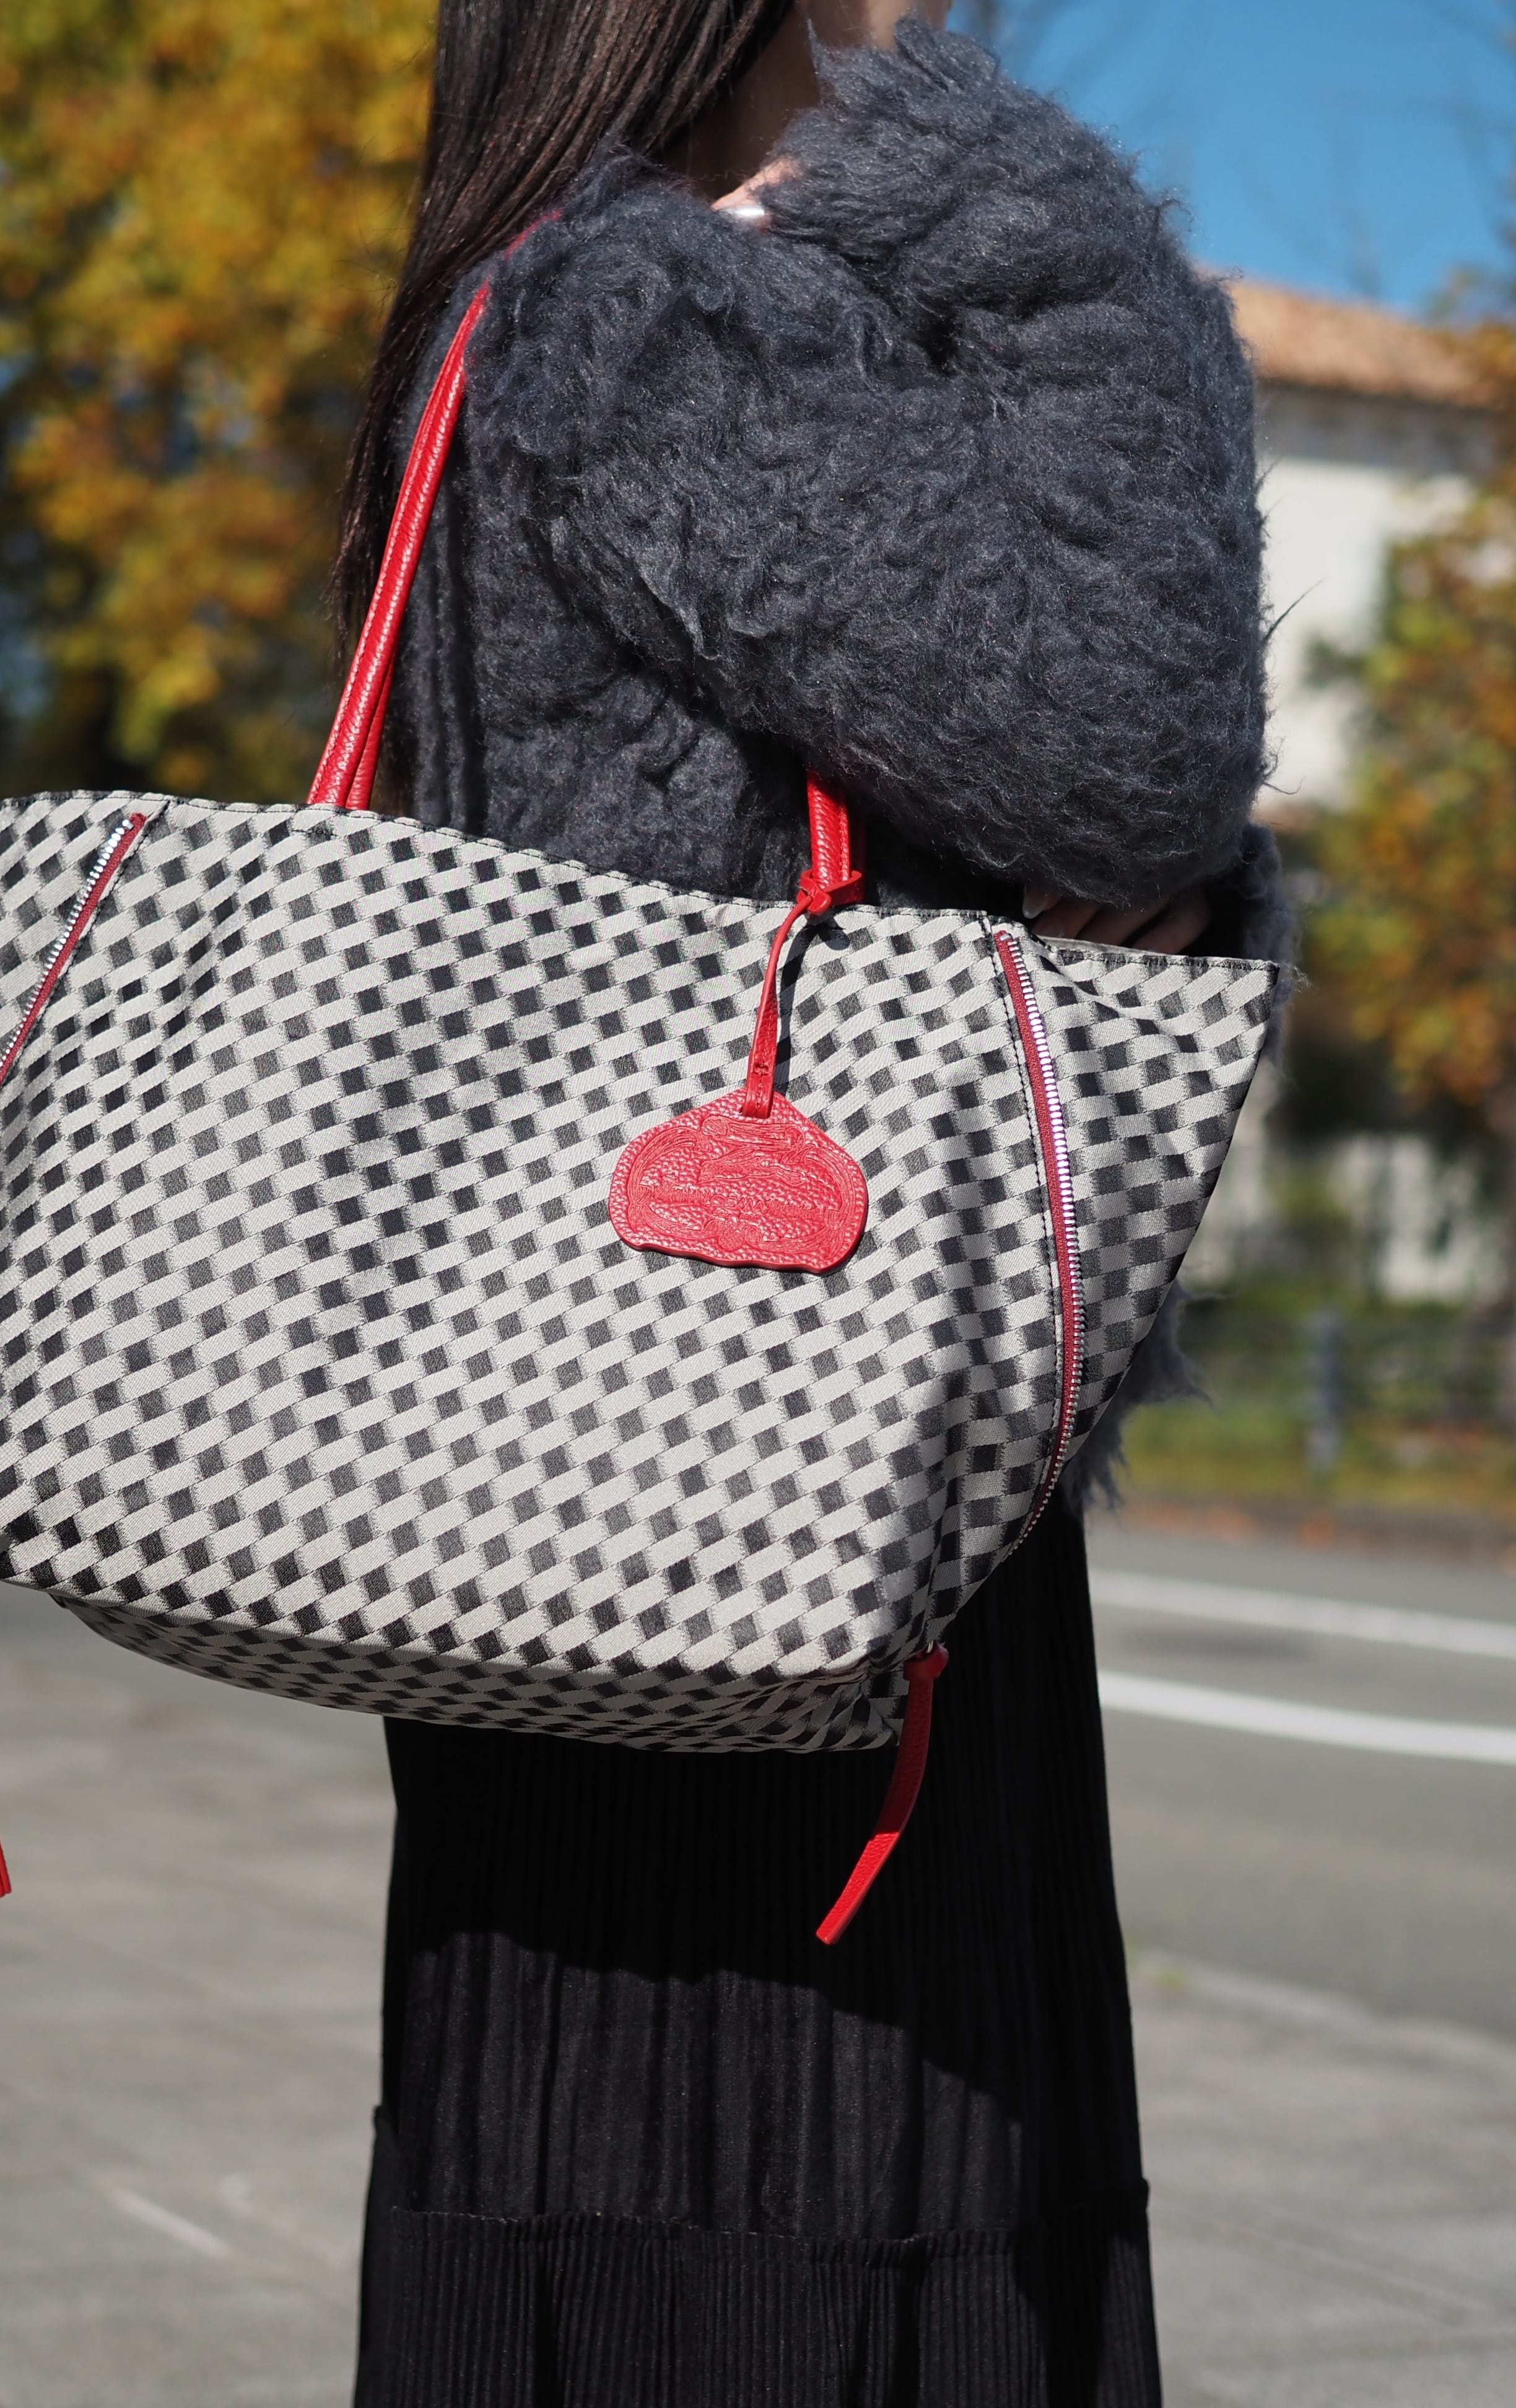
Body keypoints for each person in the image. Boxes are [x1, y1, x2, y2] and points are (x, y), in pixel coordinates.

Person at [336, 5, 1286, 2401]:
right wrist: (1051, 218)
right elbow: (1139, 749)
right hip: (769, 1488)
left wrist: (1147, 887)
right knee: (796, 2268)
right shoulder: (650, 308)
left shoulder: (615, 295)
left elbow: (1081, 789)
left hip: (667, 1464)